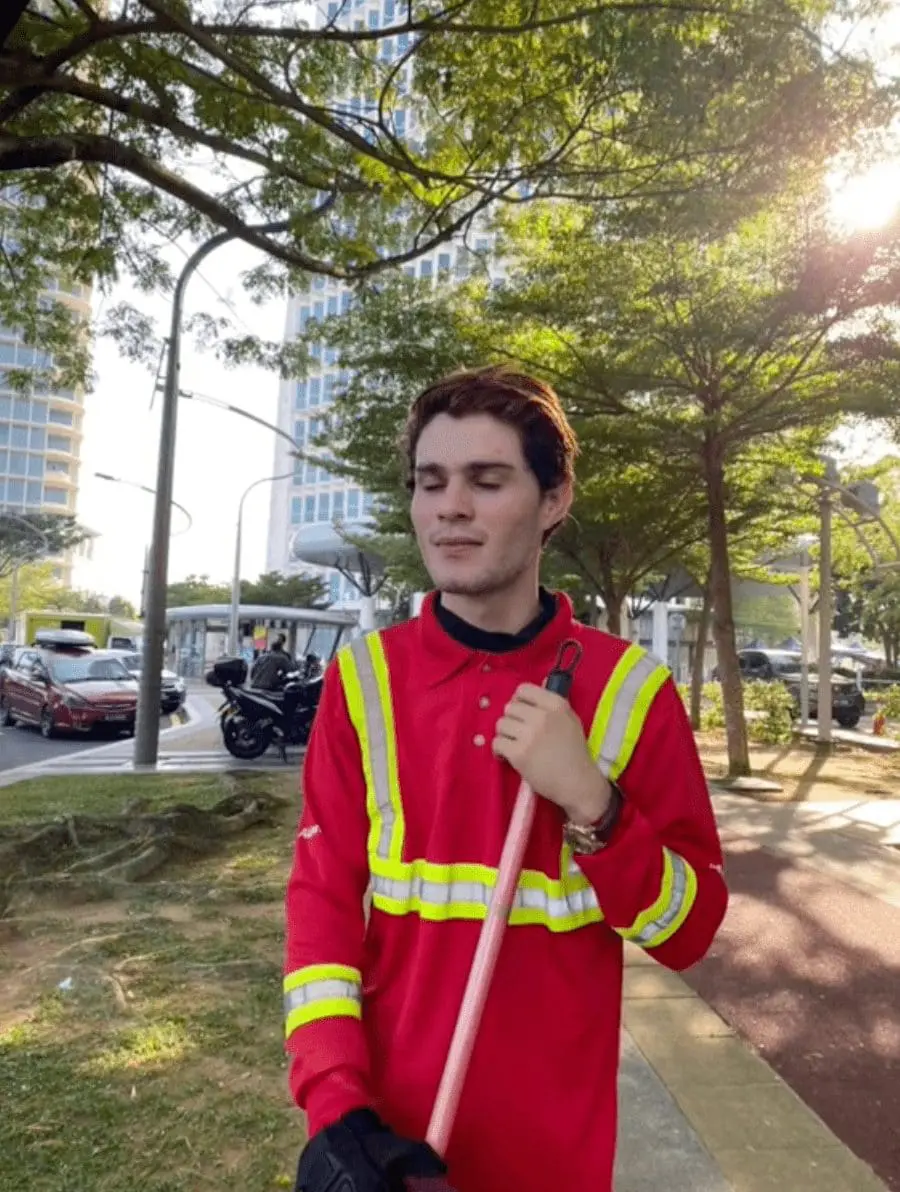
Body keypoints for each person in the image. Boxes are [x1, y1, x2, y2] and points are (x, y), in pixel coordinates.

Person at [283, 365, 729, 1192]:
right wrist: (337, 1112)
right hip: (386, 1150)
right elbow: (322, 908)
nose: (450, 506)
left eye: (487, 481)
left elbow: (689, 929)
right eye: (431, 481)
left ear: (554, 499)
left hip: (555, 1158)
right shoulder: (364, 683)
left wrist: (593, 803)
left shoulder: (631, 694)